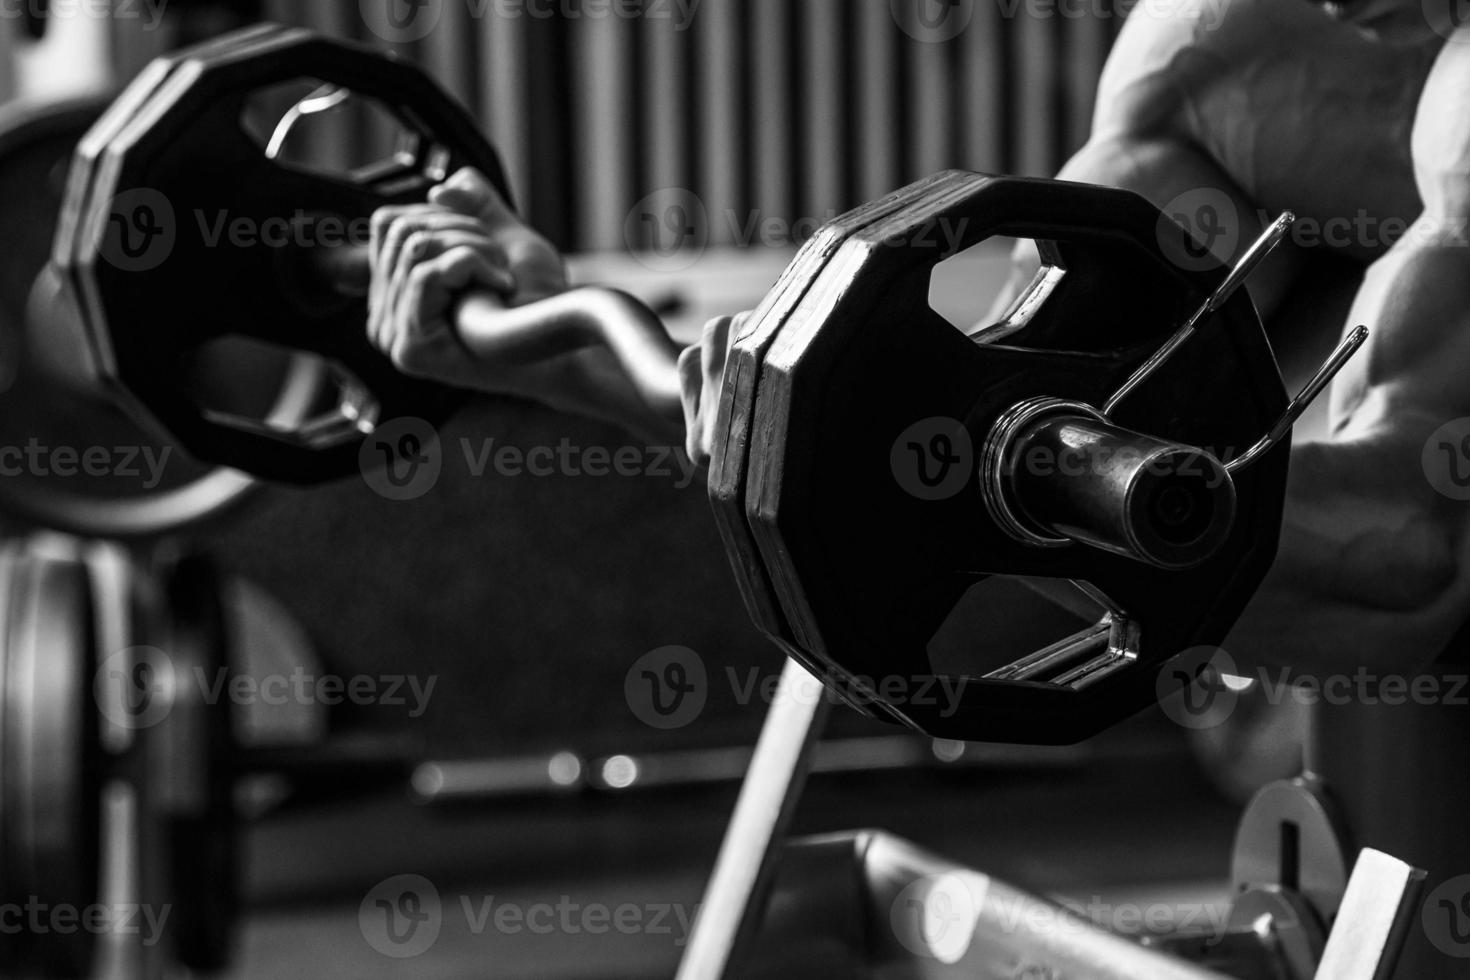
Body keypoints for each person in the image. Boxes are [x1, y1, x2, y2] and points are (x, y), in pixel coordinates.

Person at [365, 0, 1470, 672]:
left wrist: (882, 449)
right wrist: (567, 348)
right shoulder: (1226, 52)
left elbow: (1404, 565)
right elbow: (983, 361)